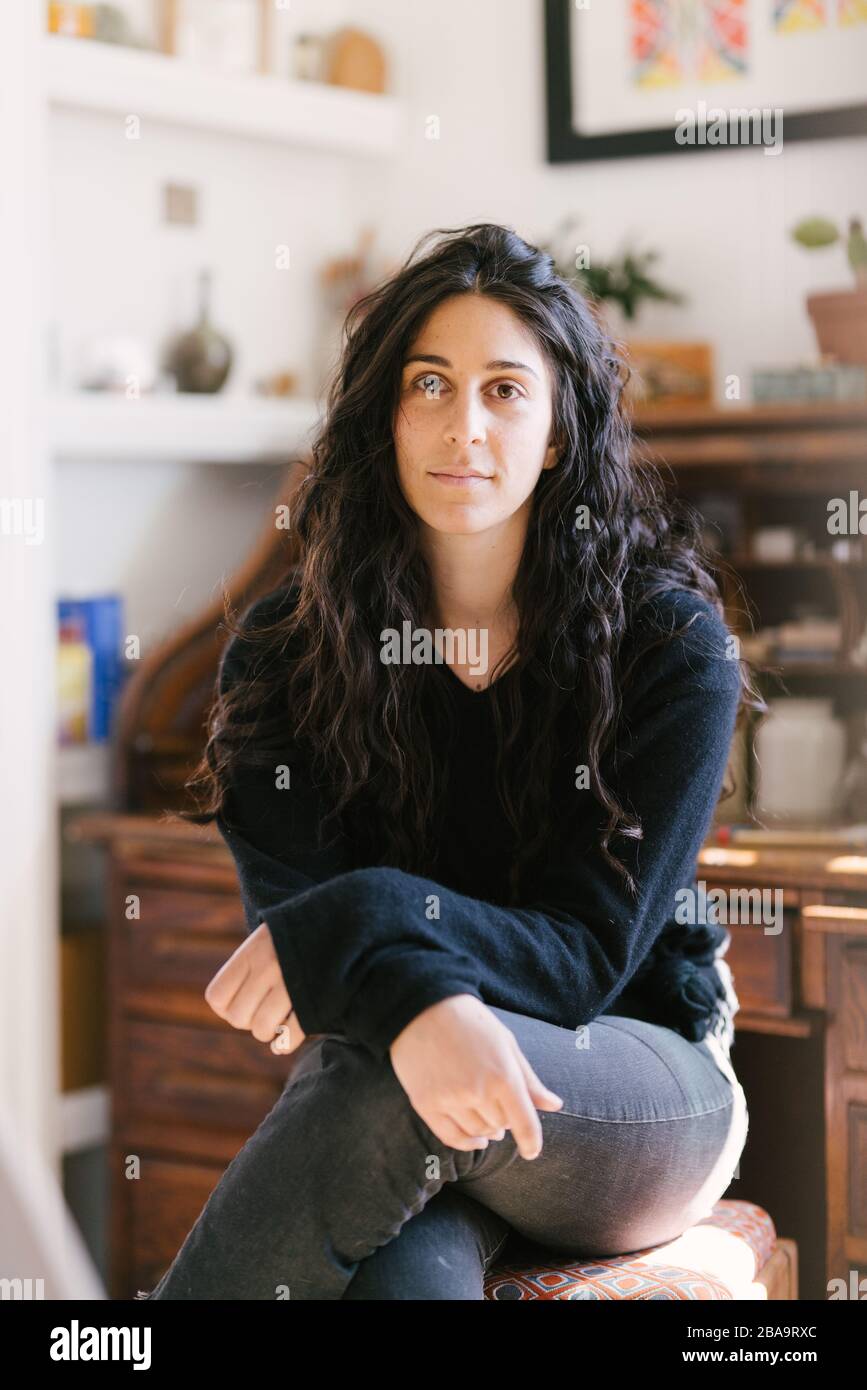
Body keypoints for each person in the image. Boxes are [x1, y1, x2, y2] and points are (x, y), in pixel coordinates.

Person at [139, 223, 757, 1301]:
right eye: (430, 383)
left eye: (506, 390)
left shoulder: (667, 644)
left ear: (559, 429)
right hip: (410, 1069)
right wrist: (418, 993)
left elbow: (580, 958)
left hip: (636, 1074)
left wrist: (366, 919)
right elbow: (311, 933)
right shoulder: (284, 656)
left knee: (378, 1085)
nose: (463, 426)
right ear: (386, 414)